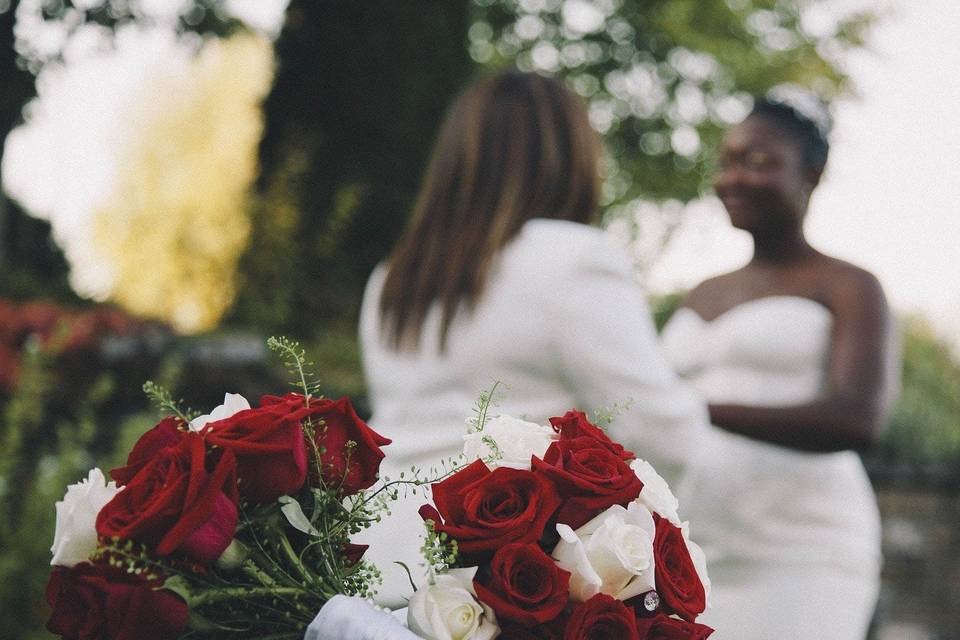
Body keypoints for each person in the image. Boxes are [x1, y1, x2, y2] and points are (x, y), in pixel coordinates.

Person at [353, 70, 710, 609]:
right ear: (570, 157)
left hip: (375, 569)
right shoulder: (574, 258)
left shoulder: (393, 275)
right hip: (496, 585)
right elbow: (666, 434)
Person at [660, 96, 900, 639]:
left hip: (803, 554)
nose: (733, 178)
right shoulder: (701, 292)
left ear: (812, 172)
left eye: (760, 161)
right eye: (726, 161)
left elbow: (856, 419)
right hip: (690, 553)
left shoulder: (848, 284)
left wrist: (691, 408)